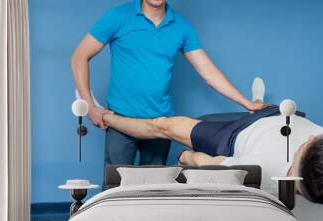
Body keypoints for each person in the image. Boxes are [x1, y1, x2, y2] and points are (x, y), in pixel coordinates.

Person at [71, 0, 264, 168]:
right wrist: (89, 106)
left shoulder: (182, 27)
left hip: (161, 124)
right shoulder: (117, 16)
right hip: (120, 120)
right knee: (115, 189)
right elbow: (79, 57)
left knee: (153, 190)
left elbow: (209, 73)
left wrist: (247, 103)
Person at [101, 91, 323, 204]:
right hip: (284, 116)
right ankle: (256, 100)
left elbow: (206, 163)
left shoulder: (261, 173)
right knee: (265, 106)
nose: (313, 138)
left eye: (307, 145)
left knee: (165, 125)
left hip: (233, 136)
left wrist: (189, 157)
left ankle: (105, 115)